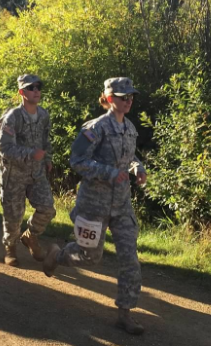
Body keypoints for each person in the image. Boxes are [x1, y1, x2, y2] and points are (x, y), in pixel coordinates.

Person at [43, 77, 147, 335]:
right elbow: (77, 160)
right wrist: (110, 172)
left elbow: (129, 155)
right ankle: (57, 255)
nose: (129, 100)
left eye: (131, 96)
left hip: (121, 204)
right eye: (124, 96)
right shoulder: (95, 128)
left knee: (130, 259)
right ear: (110, 98)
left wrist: (137, 167)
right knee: (90, 256)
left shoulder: (130, 127)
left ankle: (125, 313)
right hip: (94, 205)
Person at [0, 74, 56, 267]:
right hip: (14, 173)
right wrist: (31, 153)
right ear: (22, 92)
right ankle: (10, 248)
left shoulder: (44, 115)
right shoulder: (12, 117)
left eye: (38, 87)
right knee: (14, 215)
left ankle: (30, 236)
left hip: (36, 173)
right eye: (31, 88)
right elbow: (4, 148)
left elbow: (46, 141)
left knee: (47, 208)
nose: (36, 91)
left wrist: (47, 159)